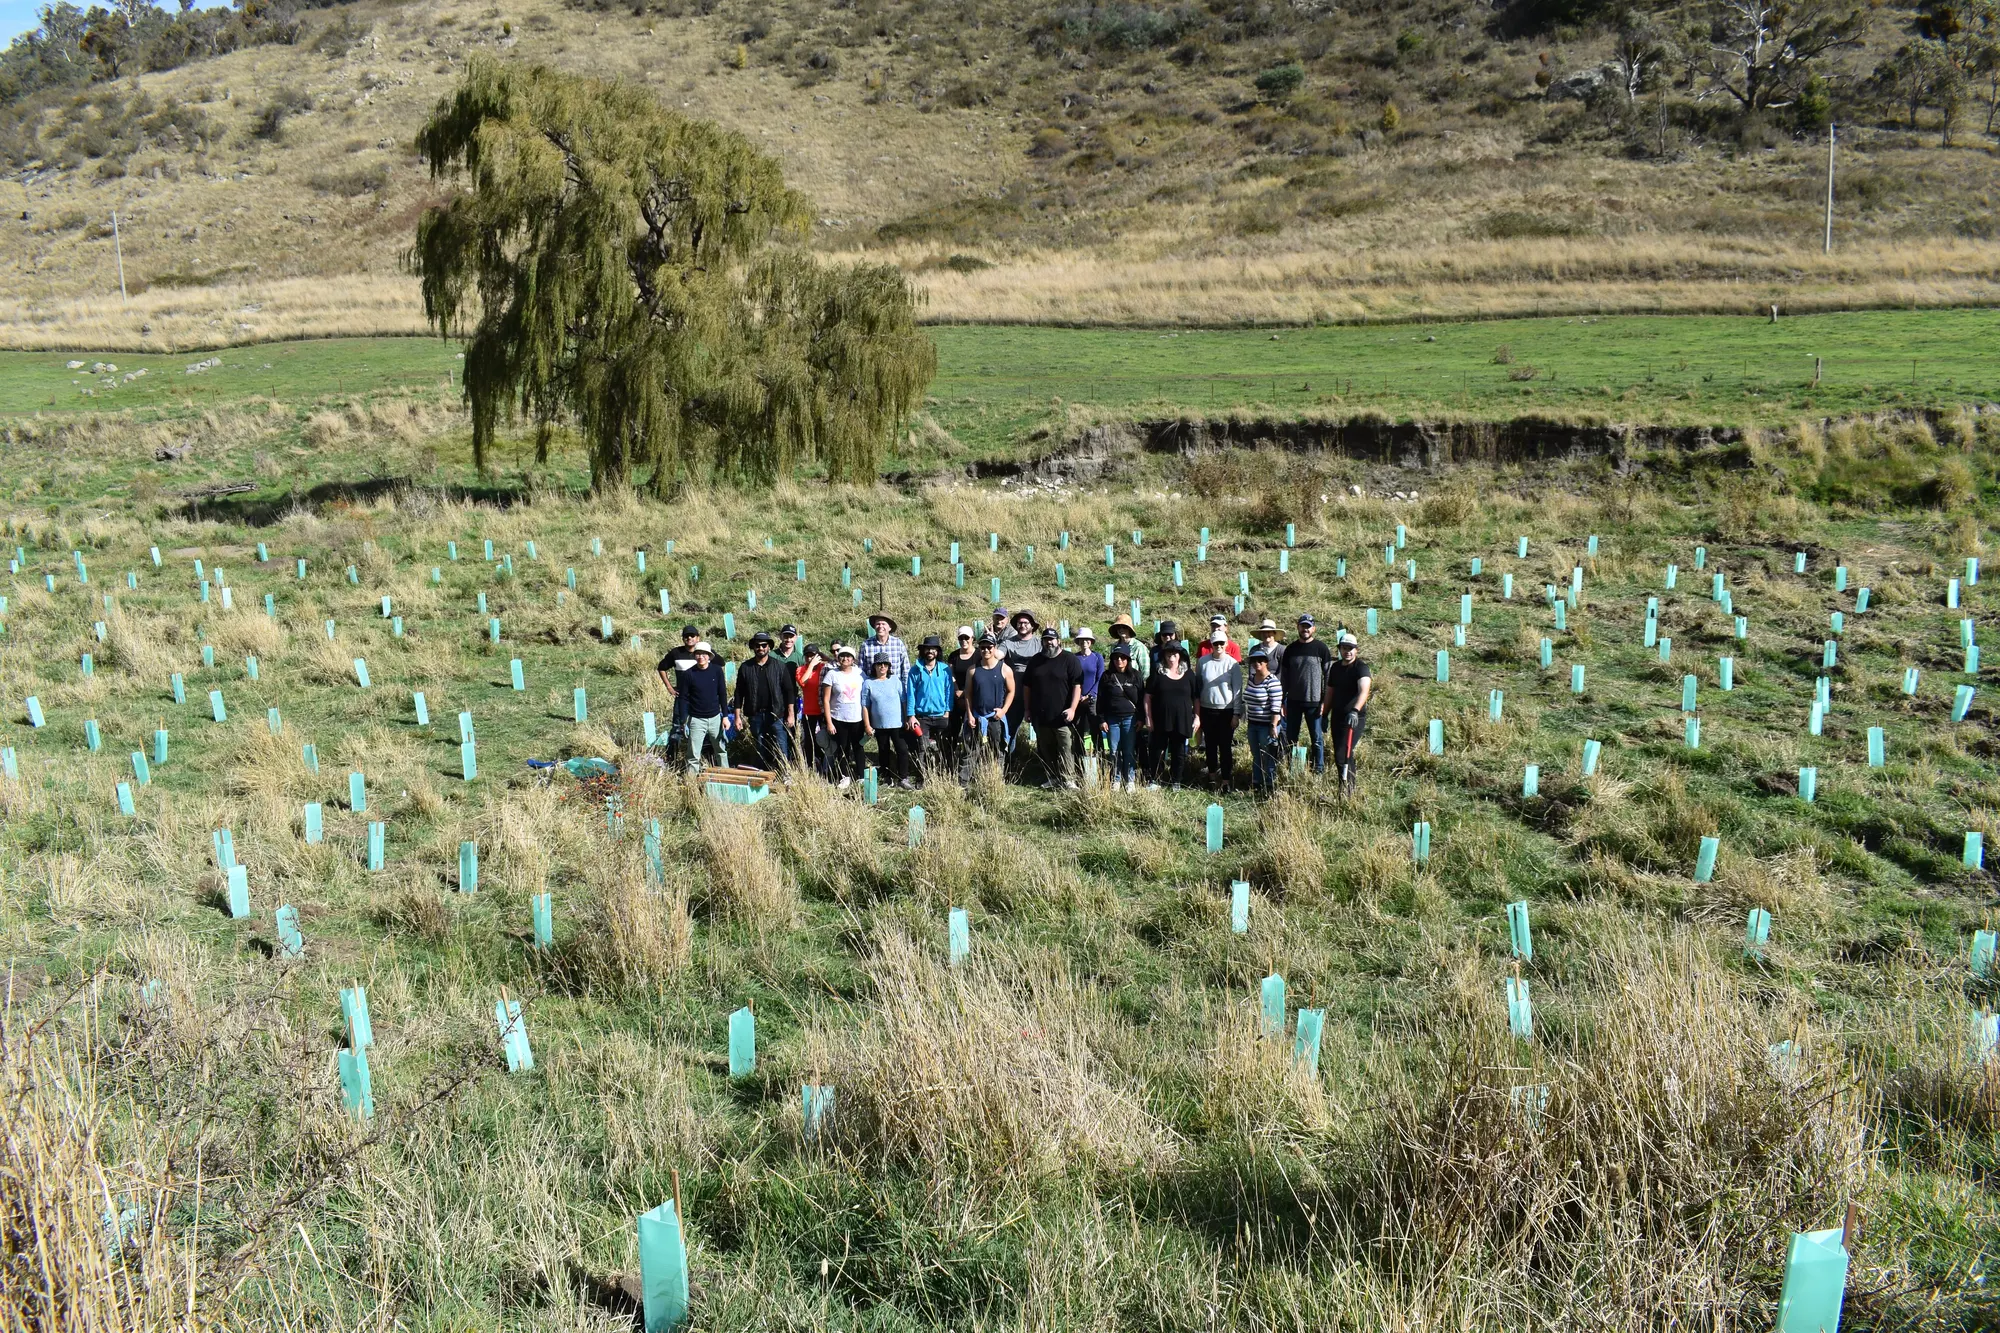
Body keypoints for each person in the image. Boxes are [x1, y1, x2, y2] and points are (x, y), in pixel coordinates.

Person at [1022, 626, 1083, 788]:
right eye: (1046, 639)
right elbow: (1027, 687)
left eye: (1052, 639)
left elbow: (1077, 686)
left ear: (1058, 641)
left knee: (1066, 747)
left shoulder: (1069, 659)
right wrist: (1027, 709)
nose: (1049, 642)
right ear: (1042, 642)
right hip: (1040, 714)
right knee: (1046, 748)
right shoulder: (1035, 661)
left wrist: (1072, 709)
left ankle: (1068, 779)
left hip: (1062, 715)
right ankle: (1053, 776)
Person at [732, 631, 797, 770]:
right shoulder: (745, 667)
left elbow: (789, 691)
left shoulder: (779, 666)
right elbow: (739, 693)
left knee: (781, 745)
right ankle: (763, 774)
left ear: (769, 647)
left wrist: (790, 714)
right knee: (761, 747)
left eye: (764, 645)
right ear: (753, 647)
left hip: (776, 714)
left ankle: (786, 773)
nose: (760, 648)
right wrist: (737, 717)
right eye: (757, 645)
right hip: (755, 715)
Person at [1281, 613, 1334, 773]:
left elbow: (1328, 677)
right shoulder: (1290, 649)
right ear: (1298, 627)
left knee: (1317, 739)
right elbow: (1284, 677)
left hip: (1315, 702)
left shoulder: (1321, 648)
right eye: (1302, 626)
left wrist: (1325, 701)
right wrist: (1282, 701)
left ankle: (1319, 769)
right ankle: (1294, 769)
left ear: (1314, 629)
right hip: (1294, 702)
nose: (1305, 629)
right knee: (1291, 739)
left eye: (1308, 626)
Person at [960, 633, 1016, 784]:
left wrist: (1004, 710)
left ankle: (995, 780)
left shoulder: (1005, 669)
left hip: (996, 718)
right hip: (977, 717)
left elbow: (1011, 691)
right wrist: (970, 715)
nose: (986, 650)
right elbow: (968, 695)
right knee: (971, 750)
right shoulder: (972, 670)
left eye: (989, 647)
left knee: (997, 750)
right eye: (983, 647)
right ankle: (963, 782)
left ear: (994, 648)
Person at [1145, 643, 1200, 790]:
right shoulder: (1157, 673)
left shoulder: (1188, 674)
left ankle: (1176, 780)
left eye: (1174, 654)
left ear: (1180, 656)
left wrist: (1197, 717)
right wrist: (1148, 717)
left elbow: (1196, 698)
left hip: (1181, 720)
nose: (1171, 657)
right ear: (1164, 656)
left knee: (1179, 752)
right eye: (1168, 654)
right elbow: (1147, 697)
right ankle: (1155, 780)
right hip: (1160, 719)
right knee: (1157, 751)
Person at [1196, 630, 1245, 794]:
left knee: (1225, 748)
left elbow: (1238, 690)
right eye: (1215, 643)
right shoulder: (1203, 662)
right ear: (1211, 645)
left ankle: (1225, 781)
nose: (1218, 646)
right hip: (1207, 709)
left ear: (1226, 644)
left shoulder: (1232, 664)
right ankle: (1211, 777)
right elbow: (1198, 685)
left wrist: (1236, 714)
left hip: (1226, 711)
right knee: (1209, 745)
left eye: (1221, 643)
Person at [1326, 631, 1374, 792]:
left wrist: (1355, 710)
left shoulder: (1361, 668)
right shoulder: (1335, 668)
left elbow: (1364, 691)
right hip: (1337, 717)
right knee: (1339, 753)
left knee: (1344, 752)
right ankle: (1344, 785)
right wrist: (1324, 713)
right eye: (1344, 648)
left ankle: (1348, 788)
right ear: (1339, 649)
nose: (1348, 651)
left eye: (1351, 648)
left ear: (1356, 650)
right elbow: (1330, 692)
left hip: (1354, 718)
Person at [904, 635, 955, 781]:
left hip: (941, 715)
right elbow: (911, 694)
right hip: (922, 717)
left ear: (937, 652)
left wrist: (947, 710)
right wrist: (911, 715)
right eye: (927, 648)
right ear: (923, 651)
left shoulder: (945, 669)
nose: (930, 651)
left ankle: (945, 775)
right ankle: (923, 777)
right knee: (922, 748)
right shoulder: (915, 670)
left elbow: (948, 691)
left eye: (933, 648)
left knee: (945, 747)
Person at [1097, 641, 1145, 791]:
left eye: (1123, 658)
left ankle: (1130, 779)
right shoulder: (1107, 676)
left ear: (1128, 659)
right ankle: (1116, 779)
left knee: (1129, 750)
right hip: (1112, 719)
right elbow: (1101, 699)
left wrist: (1141, 718)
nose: (1119, 661)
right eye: (1116, 658)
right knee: (1113, 750)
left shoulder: (1136, 676)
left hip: (1130, 719)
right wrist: (1101, 719)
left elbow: (1142, 698)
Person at [863, 658, 916, 788]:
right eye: (879, 664)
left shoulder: (895, 680)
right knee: (883, 750)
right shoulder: (868, 683)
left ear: (888, 667)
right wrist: (867, 725)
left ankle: (903, 777)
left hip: (897, 723)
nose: (882, 666)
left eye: (885, 664)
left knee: (902, 749)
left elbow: (904, 700)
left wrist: (907, 718)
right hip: (879, 725)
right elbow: (865, 705)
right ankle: (887, 777)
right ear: (874, 666)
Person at [820, 646, 868, 788]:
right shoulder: (832, 675)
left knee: (858, 747)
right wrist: (829, 722)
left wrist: (867, 721)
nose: (845, 659)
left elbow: (865, 696)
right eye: (842, 656)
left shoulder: (860, 674)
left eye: (849, 656)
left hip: (857, 718)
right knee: (842, 748)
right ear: (838, 658)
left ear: (853, 659)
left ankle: (861, 775)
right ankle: (844, 776)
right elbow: (826, 700)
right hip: (838, 718)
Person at [679, 641, 729, 772]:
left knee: (721, 750)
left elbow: (722, 693)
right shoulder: (689, 674)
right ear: (694, 656)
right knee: (693, 754)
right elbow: (683, 698)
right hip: (696, 719)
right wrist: (684, 720)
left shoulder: (717, 671)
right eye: (698, 654)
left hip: (715, 718)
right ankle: (692, 784)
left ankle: (726, 777)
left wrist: (725, 716)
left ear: (709, 656)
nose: (701, 656)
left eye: (704, 654)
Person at [1243, 647, 1285, 795]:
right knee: (1256, 755)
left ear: (1266, 662)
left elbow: (1275, 706)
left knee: (1269, 756)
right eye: (1254, 661)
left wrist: (1273, 726)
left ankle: (1269, 784)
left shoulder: (1272, 681)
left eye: (1260, 660)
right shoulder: (1251, 679)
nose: (1257, 663)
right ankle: (1257, 783)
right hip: (1252, 723)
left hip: (1266, 726)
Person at [656, 624, 702, 756]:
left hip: (700, 698)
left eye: (692, 635)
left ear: (698, 638)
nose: (689, 638)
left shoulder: (704, 652)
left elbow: (718, 666)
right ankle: (672, 757)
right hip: (682, 698)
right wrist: (669, 687)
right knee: (677, 727)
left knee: (700, 727)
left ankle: (699, 756)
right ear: (683, 638)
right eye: (686, 636)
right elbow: (661, 667)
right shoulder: (676, 653)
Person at [945, 625, 980, 774]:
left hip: (973, 698)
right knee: (951, 731)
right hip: (956, 697)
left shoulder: (979, 654)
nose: (964, 640)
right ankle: (950, 763)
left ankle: (970, 765)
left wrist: (966, 692)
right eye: (961, 638)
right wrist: (956, 690)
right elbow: (951, 675)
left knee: (970, 734)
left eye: (966, 637)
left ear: (972, 639)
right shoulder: (954, 655)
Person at [1070, 628, 1104, 765]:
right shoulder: (1074, 658)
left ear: (1091, 642)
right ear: (1078, 641)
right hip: (1077, 699)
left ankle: (1100, 757)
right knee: (1078, 730)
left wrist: (1090, 695)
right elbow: (1071, 678)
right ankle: (1079, 759)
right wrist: (1078, 696)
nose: (1085, 642)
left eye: (1087, 640)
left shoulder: (1097, 657)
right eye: (1082, 640)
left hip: (1092, 699)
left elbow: (1100, 677)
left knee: (1096, 729)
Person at [796, 644, 829, 777]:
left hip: (822, 710)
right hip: (809, 711)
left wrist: (824, 657)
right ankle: (810, 766)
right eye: (808, 656)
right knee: (809, 740)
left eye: (813, 655)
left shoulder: (823, 668)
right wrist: (810, 666)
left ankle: (825, 765)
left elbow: (836, 663)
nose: (810, 658)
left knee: (825, 739)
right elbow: (803, 682)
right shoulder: (801, 669)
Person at [857, 613, 909, 683]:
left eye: (883, 624)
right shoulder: (866, 645)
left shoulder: (898, 644)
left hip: (894, 689)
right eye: (878, 624)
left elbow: (906, 670)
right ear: (874, 627)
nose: (880, 626)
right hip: (873, 689)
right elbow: (861, 670)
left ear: (889, 627)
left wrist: (905, 689)